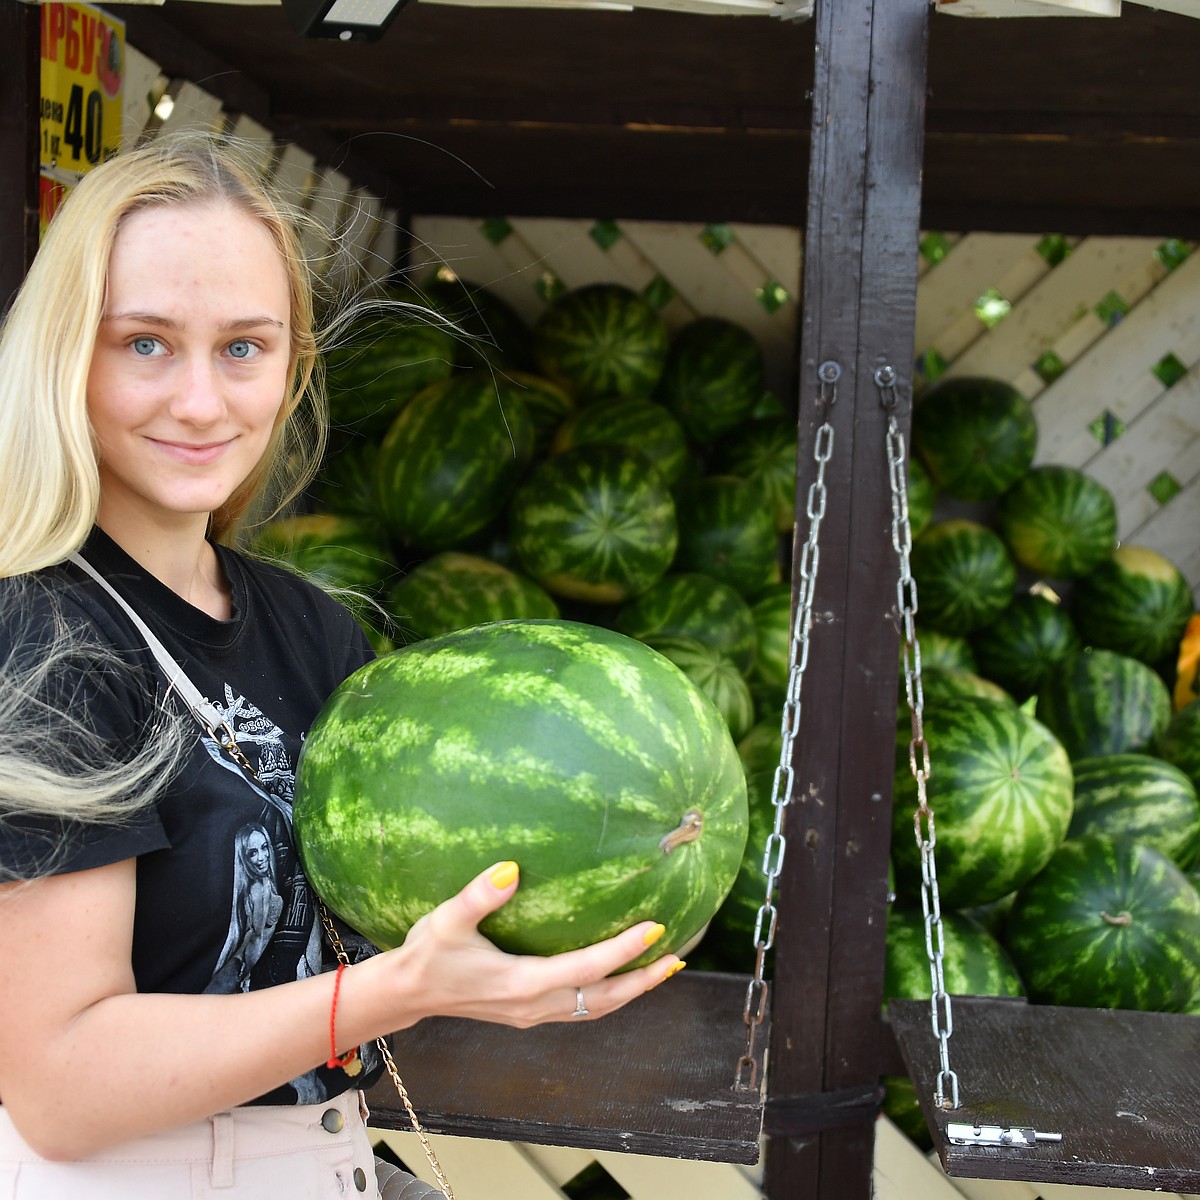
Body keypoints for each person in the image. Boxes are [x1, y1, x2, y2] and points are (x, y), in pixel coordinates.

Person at [0, 134, 683, 1198]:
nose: (199, 400)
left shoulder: (308, 626)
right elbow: (62, 1087)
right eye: (144, 344)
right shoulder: (40, 642)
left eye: (243, 348)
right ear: (64, 355)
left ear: (294, 365)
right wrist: (395, 992)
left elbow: (376, 919)